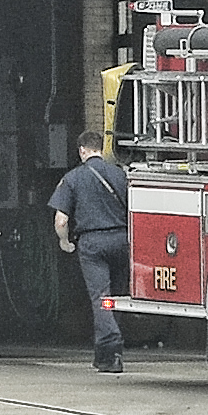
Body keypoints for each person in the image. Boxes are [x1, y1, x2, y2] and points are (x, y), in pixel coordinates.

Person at [47, 127, 133, 374]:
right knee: (116, 298)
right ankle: (102, 355)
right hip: (121, 241)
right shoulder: (119, 175)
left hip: (93, 244)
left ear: (82, 150)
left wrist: (65, 242)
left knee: (102, 298)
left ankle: (112, 349)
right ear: (101, 149)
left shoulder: (73, 178)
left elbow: (61, 220)